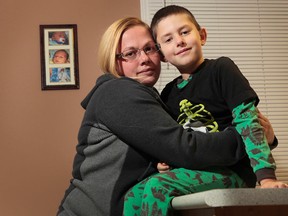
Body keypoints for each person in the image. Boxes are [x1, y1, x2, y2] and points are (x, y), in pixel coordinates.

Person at [56, 17, 257, 216]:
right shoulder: (119, 92)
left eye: (149, 48)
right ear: (114, 61)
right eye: (130, 53)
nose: (144, 58)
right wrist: (248, 137)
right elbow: (183, 148)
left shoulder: (155, 98)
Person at [123, 5, 287, 216]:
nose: (179, 41)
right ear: (161, 54)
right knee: (133, 196)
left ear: (202, 35)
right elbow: (171, 141)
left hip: (231, 172)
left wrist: (266, 178)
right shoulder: (168, 94)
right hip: (193, 170)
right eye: (168, 39)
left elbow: (249, 121)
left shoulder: (221, 69)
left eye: (184, 32)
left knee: (158, 187)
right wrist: (164, 162)